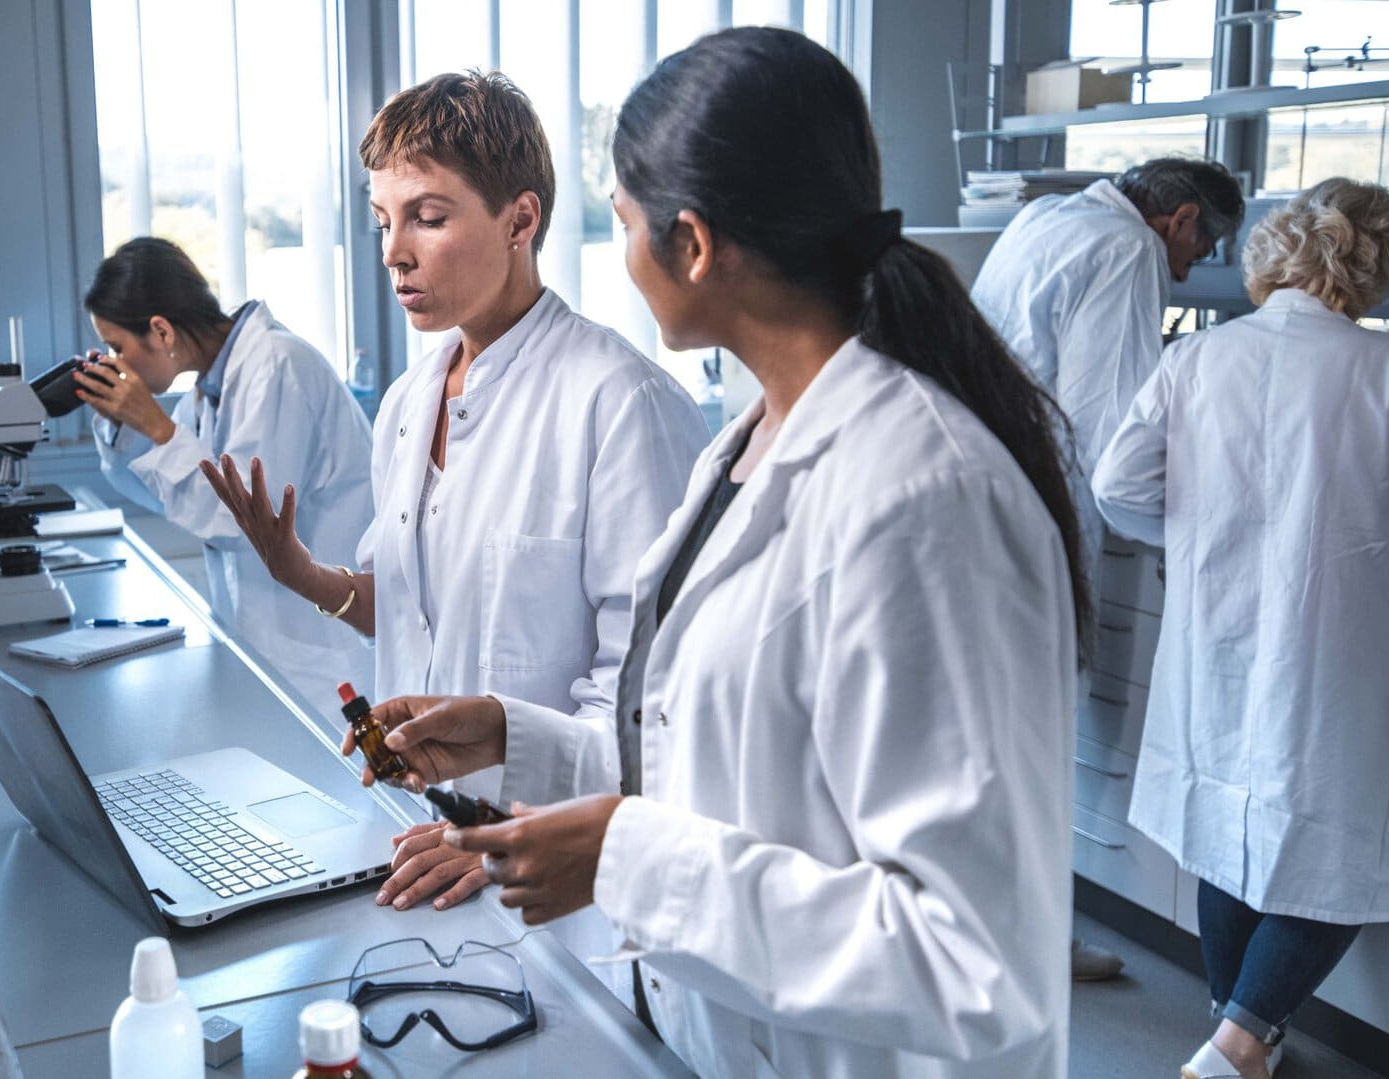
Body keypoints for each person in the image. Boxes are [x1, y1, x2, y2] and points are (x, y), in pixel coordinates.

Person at [342, 28, 1091, 1078]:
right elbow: (709, 756)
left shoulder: (925, 496)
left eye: (622, 216)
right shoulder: (747, 450)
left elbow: (978, 964)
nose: (618, 245)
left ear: (690, 243)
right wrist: (520, 737)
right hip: (701, 1026)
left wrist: (628, 860)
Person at [200, 72, 706, 944]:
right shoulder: (407, 400)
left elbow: (648, 700)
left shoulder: (619, 403)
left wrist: (506, 832)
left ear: (521, 220)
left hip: (549, 885)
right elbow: (407, 603)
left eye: (428, 217)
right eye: (382, 220)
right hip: (413, 845)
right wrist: (306, 576)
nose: (395, 250)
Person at [1092, 178, 1389, 1079]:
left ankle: (1237, 1023)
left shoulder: (1200, 359)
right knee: (1342, 832)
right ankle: (1241, 1041)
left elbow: (1118, 487)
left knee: (1224, 810)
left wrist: (1189, 535)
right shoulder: (1377, 371)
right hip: (1336, 638)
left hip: (1214, 624)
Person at [972, 156, 1244, 982]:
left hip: (983, 495)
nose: (1196, 267)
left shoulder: (1047, 217)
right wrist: (1176, 534)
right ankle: (1033, 949)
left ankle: (991, 937)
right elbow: (1108, 430)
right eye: (1206, 245)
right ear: (1182, 217)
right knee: (1032, 740)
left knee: (988, 736)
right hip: (1039, 515)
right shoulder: (1128, 251)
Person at [76, 237, 374, 718]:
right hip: (268, 644)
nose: (116, 362)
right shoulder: (209, 389)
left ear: (160, 331)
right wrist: (125, 423)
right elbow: (164, 495)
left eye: (118, 346)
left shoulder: (278, 366)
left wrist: (157, 425)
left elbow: (244, 522)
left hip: (320, 651)